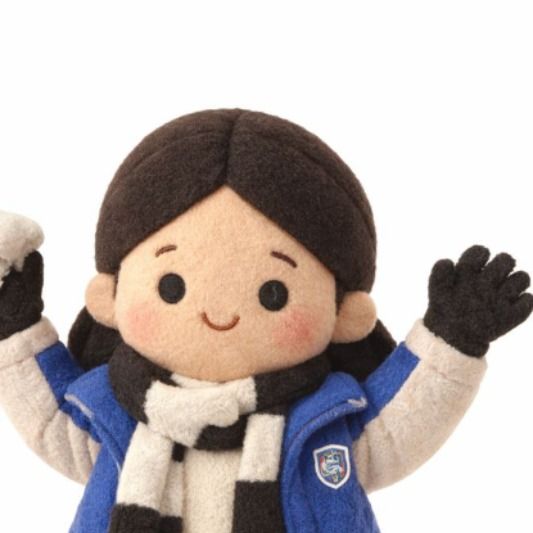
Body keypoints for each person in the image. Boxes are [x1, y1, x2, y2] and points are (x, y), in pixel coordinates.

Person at [0, 109, 531, 533]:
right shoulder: (111, 410)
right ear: (110, 297)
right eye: (171, 287)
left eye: (273, 294)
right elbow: (50, 420)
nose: (220, 314)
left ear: (344, 314)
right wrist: (15, 326)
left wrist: (452, 339)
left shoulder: (327, 417)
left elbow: (397, 428)